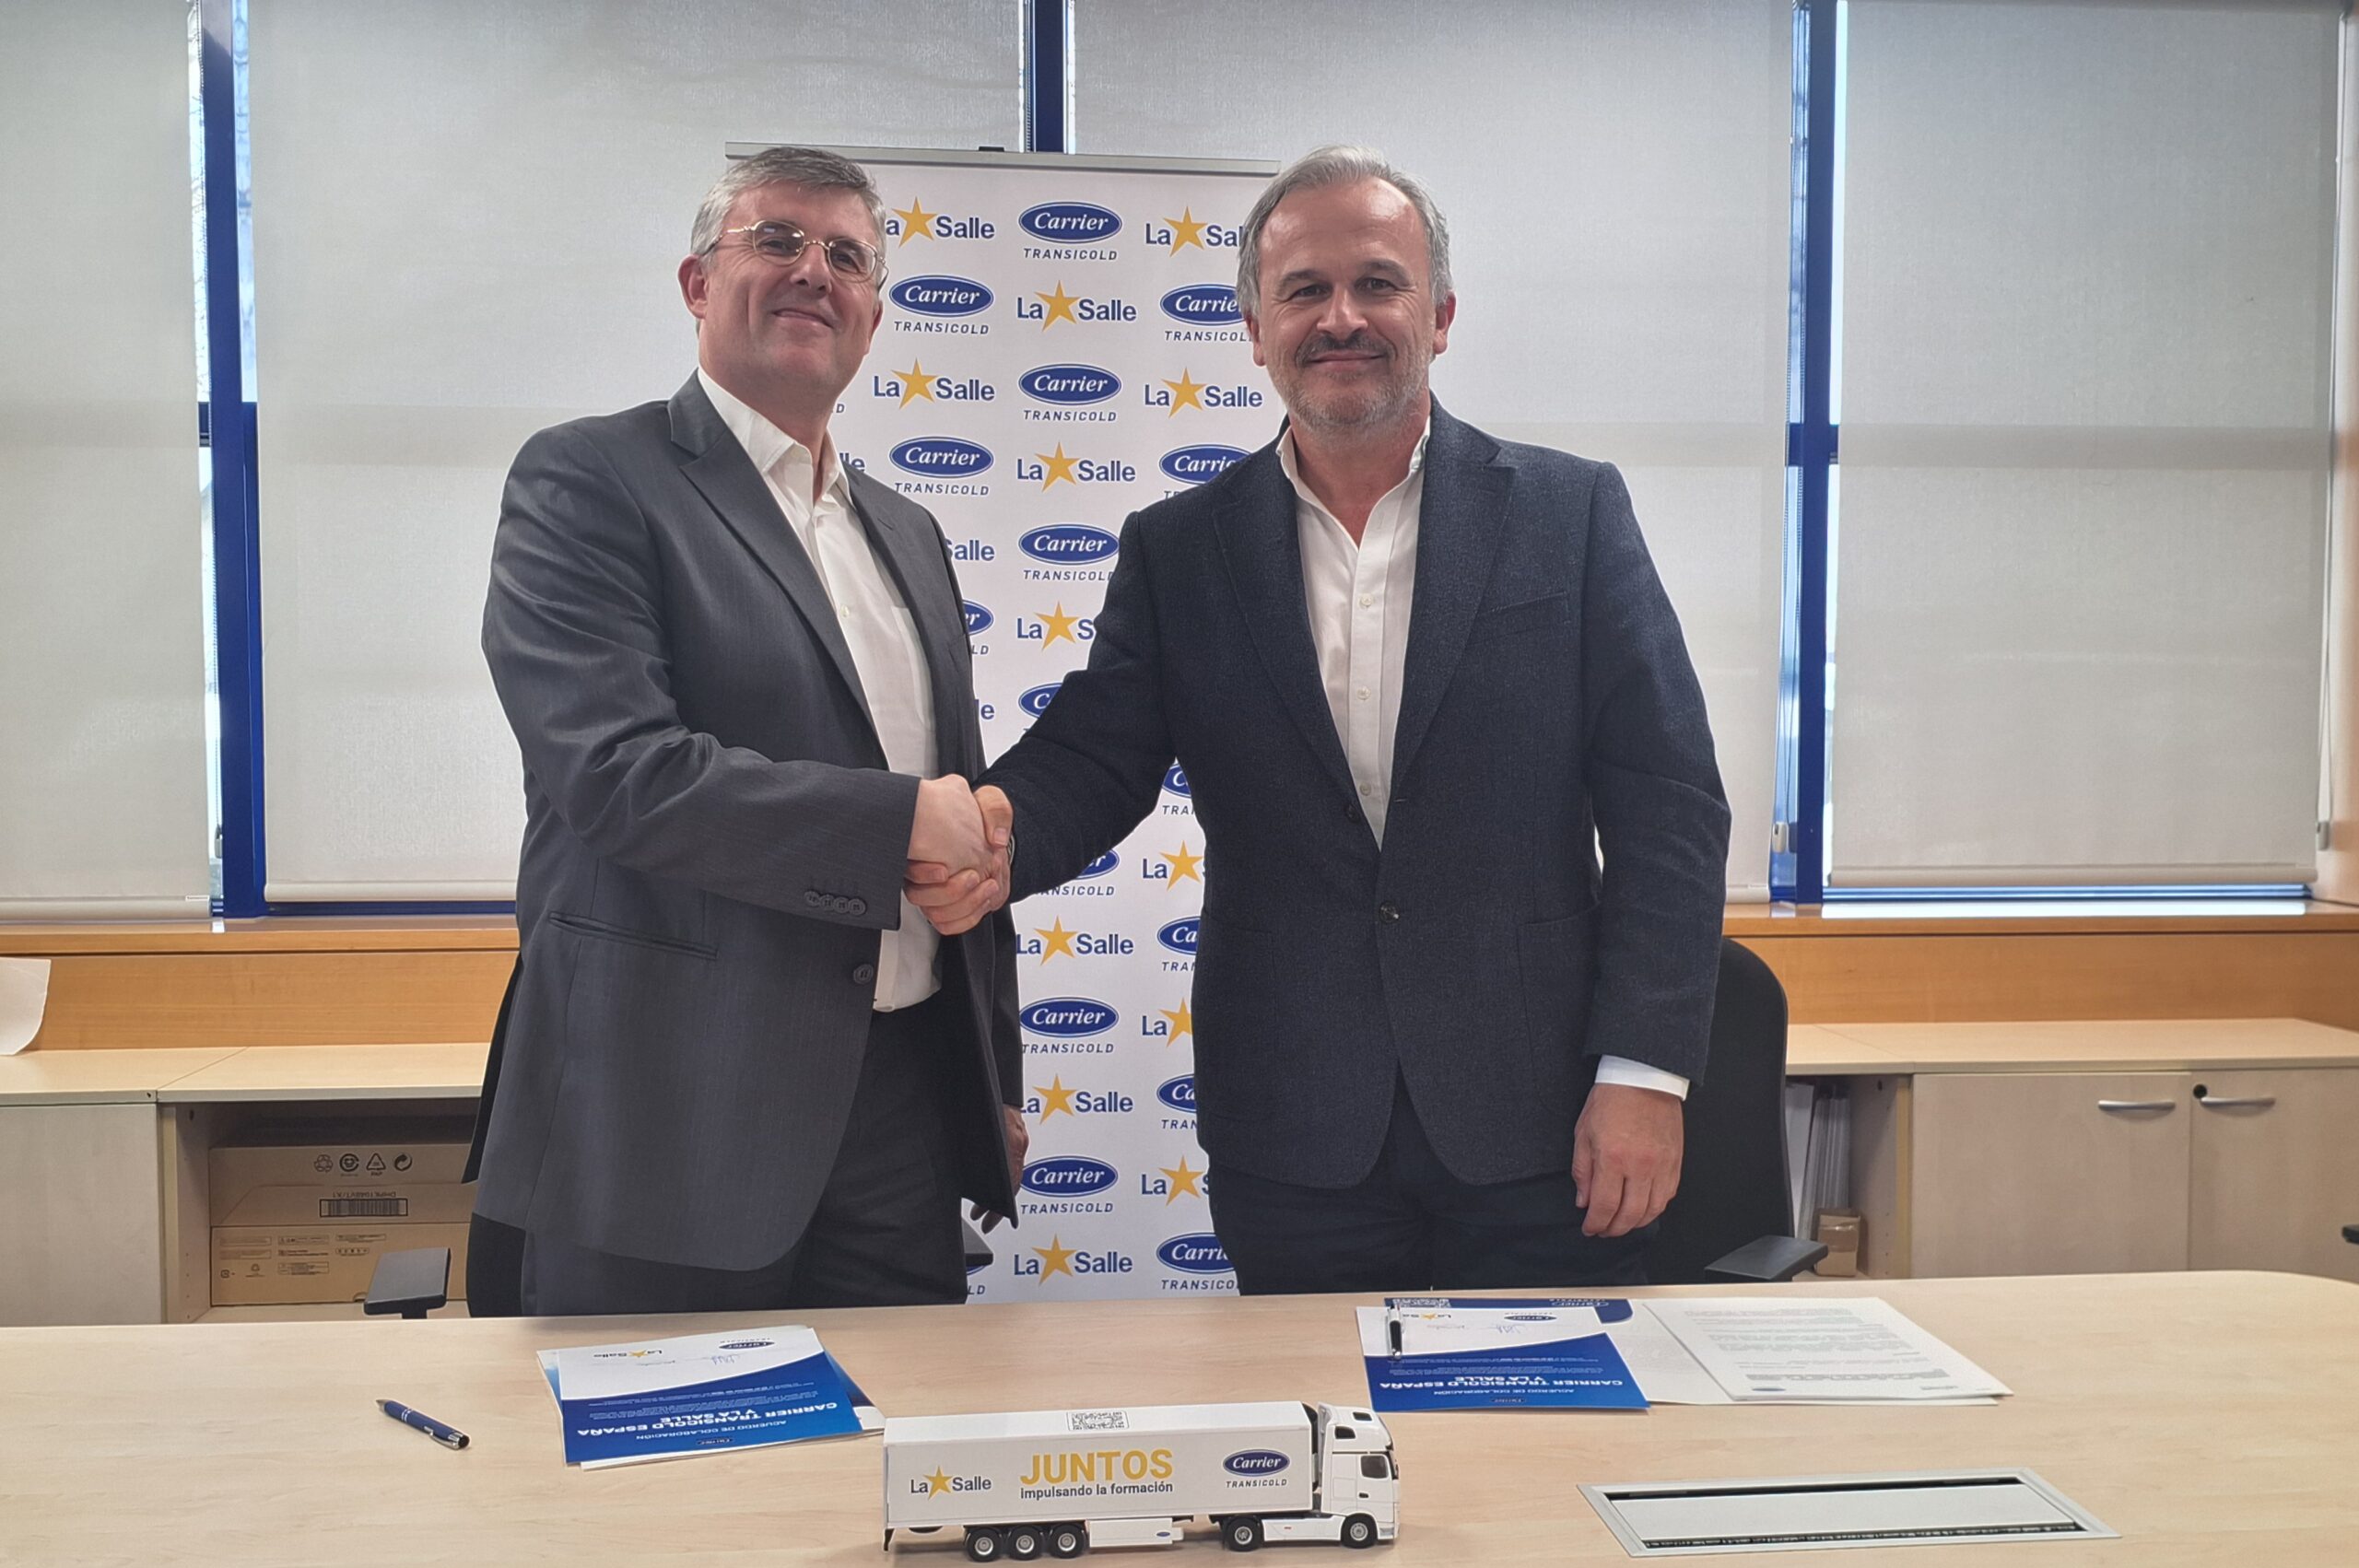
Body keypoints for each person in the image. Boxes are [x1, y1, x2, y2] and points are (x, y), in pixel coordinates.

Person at [913, 146, 1729, 1295]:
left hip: (1546, 1117)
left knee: (1542, 1411)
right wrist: (990, 831)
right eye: (1303, 290)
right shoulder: (1180, 548)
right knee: (1313, 1413)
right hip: (1291, 1125)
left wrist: (1643, 1073)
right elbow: (1096, 756)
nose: (1340, 317)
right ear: (1255, 328)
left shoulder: (1570, 512)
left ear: (1439, 316)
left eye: (1377, 283)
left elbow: (1668, 807)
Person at [475, 145, 1024, 1316]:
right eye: (776, 240)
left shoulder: (909, 533)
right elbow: (617, 774)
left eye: (848, 257)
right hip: (670, 1112)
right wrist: (899, 826)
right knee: (670, 1441)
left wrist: (993, 1078)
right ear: (696, 283)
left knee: (899, 1434)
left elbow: (959, 813)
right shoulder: (591, 479)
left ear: (873, 314)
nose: (813, 271)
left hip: (902, 1113)